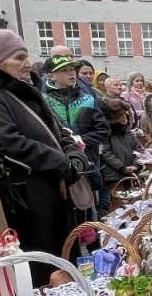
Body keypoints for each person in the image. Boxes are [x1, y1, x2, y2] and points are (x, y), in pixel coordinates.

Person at [0, 29, 82, 282]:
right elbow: (8, 142)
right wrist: (59, 161)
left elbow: (56, 130)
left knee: (64, 254)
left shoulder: (27, 90)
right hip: (28, 193)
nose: (26, 63)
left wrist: (73, 154)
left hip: (54, 185)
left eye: (26, 56)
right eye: (18, 58)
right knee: (42, 260)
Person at [44, 55, 111, 213]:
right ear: (51, 76)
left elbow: (103, 131)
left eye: (72, 69)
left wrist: (80, 140)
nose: (71, 73)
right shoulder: (43, 101)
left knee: (88, 210)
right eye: (64, 70)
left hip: (86, 164)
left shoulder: (88, 99)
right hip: (58, 166)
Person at [98, 98, 142, 185]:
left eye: (125, 116)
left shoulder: (128, 133)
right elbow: (106, 153)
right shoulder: (107, 134)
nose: (124, 119)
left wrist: (136, 165)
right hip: (114, 175)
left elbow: (139, 149)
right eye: (121, 117)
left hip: (132, 173)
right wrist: (122, 167)